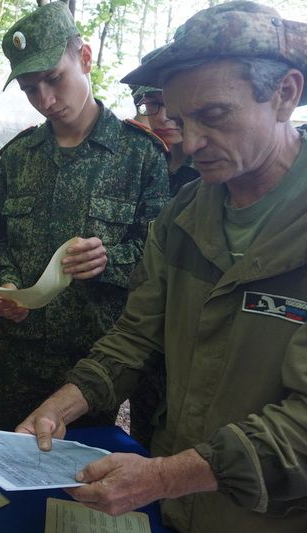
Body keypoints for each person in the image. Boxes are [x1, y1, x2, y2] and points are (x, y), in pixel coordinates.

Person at [18, 2, 307, 531]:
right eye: (178, 119)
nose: (190, 144)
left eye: (213, 115)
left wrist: (167, 476)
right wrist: (64, 404)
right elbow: (137, 334)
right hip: (181, 511)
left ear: (285, 94)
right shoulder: (187, 213)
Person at [0, 1, 169, 431]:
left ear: (84, 58)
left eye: (54, 79)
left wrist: (110, 260)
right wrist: (7, 285)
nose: (46, 100)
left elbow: (160, 258)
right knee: (13, 461)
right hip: (19, 358)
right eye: (30, 89)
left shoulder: (140, 155)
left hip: (94, 365)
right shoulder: (18, 156)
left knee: (84, 470)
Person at [125, 81, 201, 449]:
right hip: (141, 334)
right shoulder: (136, 165)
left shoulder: (214, 174)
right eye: (152, 104)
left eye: (173, 103)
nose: (165, 115)